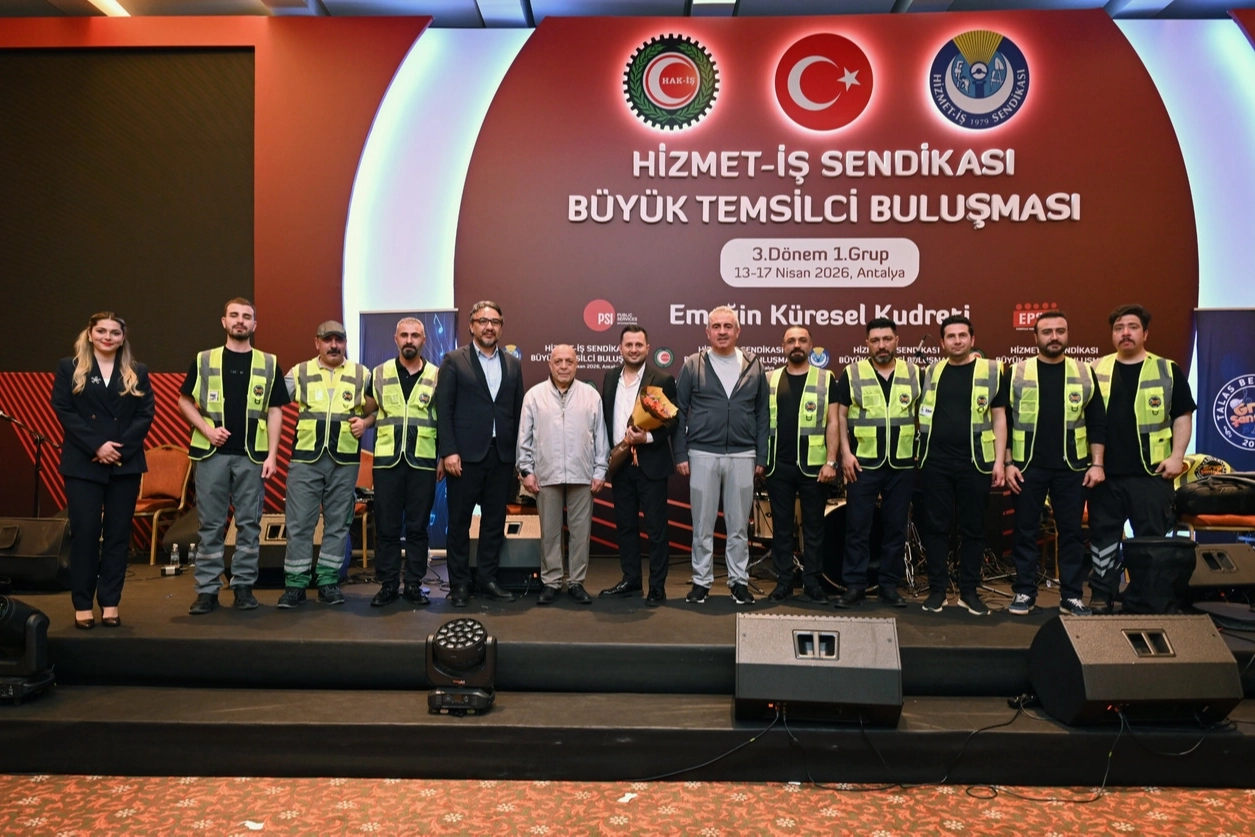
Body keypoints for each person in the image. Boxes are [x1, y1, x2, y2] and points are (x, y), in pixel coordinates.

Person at [179, 298, 288, 615]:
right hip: (211, 454)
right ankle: (207, 591)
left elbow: (275, 411)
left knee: (249, 525)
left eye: (247, 316)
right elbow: (184, 401)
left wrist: (272, 455)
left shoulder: (268, 363)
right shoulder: (204, 359)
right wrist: (207, 429)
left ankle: (243, 587)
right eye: (234, 315)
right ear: (224, 321)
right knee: (210, 526)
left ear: (255, 324)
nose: (240, 320)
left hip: (251, 456)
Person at [1087, 304, 1195, 612]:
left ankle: (1145, 598)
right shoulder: (1095, 369)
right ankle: (1102, 595)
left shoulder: (1167, 370)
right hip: (1105, 474)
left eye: (1132, 327)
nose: (1125, 333)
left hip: (1152, 474)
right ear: (1112, 334)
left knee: (1151, 541)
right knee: (1102, 539)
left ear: (1145, 333)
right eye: (1119, 328)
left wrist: (1177, 457)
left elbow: (1182, 416)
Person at [51, 312, 154, 629]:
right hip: (84, 462)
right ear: (90, 333)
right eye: (101, 331)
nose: (108, 337)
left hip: (124, 462)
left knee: (118, 536)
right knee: (84, 534)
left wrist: (117, 448)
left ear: (123, 338)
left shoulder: (136, 371)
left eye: (114, 332)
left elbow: (145, 414)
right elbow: (63, 409)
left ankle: (110, 603)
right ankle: (82, 605)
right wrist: (97, 445)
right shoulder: (70, 367)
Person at [1004, 311, 1106, 616]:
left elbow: (1097, 422)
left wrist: (1097, 464)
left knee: (1071, 533)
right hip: (1027, 466)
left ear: (1067, 334)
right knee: (1025, 530)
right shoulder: (1017, 372)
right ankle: (1024, 591)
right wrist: (1008, 462)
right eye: (1047, 332)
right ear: (1035, 337)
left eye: (1060, 331)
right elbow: (1004, 421)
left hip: (1072, 468)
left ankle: (1072, 596)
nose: (1054, 337)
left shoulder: (1084, 372)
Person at [674, 306, 769, 605]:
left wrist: (762, 456)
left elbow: (763, 414)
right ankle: (701, 582)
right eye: (716, 326)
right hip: (702, 453)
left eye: (728, 326)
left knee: (738, 526)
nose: (722, 331)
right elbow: (679, 412)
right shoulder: (693, 364)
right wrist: (681, 453)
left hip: (743, 454)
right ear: (707, 332)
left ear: (738, 331)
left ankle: (738, 581)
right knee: (702, 525)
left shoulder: (754, 365)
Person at [915, 315, 1008, 616]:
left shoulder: (991, 370)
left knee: (973, 530)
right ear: (942, 342)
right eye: (951, 336)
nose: (957, 341)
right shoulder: (931, 371)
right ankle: (938, 591)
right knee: (936, 528)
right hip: (935, 462)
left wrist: (999, 461)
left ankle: (969, 592)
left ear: (972, 339)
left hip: (975, 462)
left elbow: (999, 417)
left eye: (962, 335)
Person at [436, 301, 526, 607]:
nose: (489, 327)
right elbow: (444, 410)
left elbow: (516, 411)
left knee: (494, 522)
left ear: (501, 327)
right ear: (471, 325)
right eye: (483, 321)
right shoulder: (454, 360)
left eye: (495, 322)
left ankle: (487, 579)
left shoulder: (513, 364)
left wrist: (518, 456)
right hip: (464, 458)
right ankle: (459, 584)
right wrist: (448, 451)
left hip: (501, 456)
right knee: (459, 523)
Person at [278, 320, 371, 608]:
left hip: (344, 460)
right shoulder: (300, 371)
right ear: (316, 343)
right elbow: (273, 401)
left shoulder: (361, 374)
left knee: (338, 523)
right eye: (328, 340)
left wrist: (366, 422)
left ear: (345, 343)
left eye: (339, 340)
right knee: (299, 523)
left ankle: (328, 582)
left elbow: (380, 408)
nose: (333, 345)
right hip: (306, 459)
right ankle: (295, 585)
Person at [833, 317, 921, 609]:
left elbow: (923, 414)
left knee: (895, 529)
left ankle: (889, 586)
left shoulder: (914, 373)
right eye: (875, 340)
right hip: (863, 464)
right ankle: (855, 586)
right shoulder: (852, 373)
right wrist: (845, 454)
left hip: (902, 464)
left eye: (886, 339)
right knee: (858, 528)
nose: (881, 345)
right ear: (867, 343)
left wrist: (918, 449)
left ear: (897, 340)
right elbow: (840, 416)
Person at [517, 345, 609, 605]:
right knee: (550, 532)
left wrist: (600, 470)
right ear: (550, 364)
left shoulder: (590, 395)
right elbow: (524, 438)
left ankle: (577, 582)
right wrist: (526, 471)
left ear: (576, 364)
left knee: (581, 532)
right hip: (546, 474)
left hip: (583, 474)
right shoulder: (534, 396)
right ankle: (552, 582)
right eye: (558, 361)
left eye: (569, 361)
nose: (564, 366)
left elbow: (601, 437)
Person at [363, 317, 442, 608]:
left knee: (418, 528)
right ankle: (387, 585)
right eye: (404, 335)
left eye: (415, 335)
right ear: (396, 339)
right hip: (387, 463)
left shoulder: (437, 375)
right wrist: (365, 420)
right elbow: (370, 410)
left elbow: (443, 419)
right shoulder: (379, 373)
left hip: (423, 461)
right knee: (387, 527)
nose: (410, 340)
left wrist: (443, 457)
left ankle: (413, 584)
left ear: (424, 340)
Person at [599, 325, 677, 606]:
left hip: (651, 464)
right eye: (628, 345)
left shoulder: (662, 379)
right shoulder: (610, 377)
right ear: (620, 348)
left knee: (656, 529)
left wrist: (648, 437)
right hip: (621, 464)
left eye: (638, 345)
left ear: (647, 348)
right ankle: (631, 580)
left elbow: (673, 421)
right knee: (625, 526)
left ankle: (657, 587)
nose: (633, 349)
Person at [762, 326, 839, 604]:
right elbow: (761, 422)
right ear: (783, 346)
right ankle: (784, 582)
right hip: (778, 466)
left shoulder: (826, 379)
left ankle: (812, 584)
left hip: (814, 467)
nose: (797, 344)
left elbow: (833, 422)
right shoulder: (769, 379)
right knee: (782, 528)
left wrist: (831, 461)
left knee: (814, 529)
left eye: (802, 340)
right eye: (791, 340)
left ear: (811, 345)